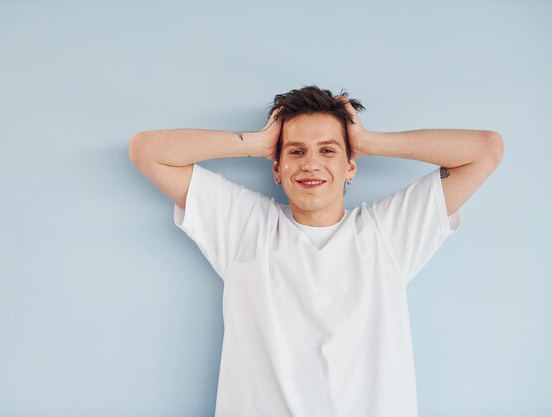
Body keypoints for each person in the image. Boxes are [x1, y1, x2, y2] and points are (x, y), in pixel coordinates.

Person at [128, 85, 504, 417]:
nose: (311, 164)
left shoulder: (387, 233)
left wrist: (369, 141)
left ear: (350, 167)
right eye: (295, 151)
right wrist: (260, 142)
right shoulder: (244, 226)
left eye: (328, 150)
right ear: (276, 168)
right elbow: (146, 150)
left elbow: (486, 150)